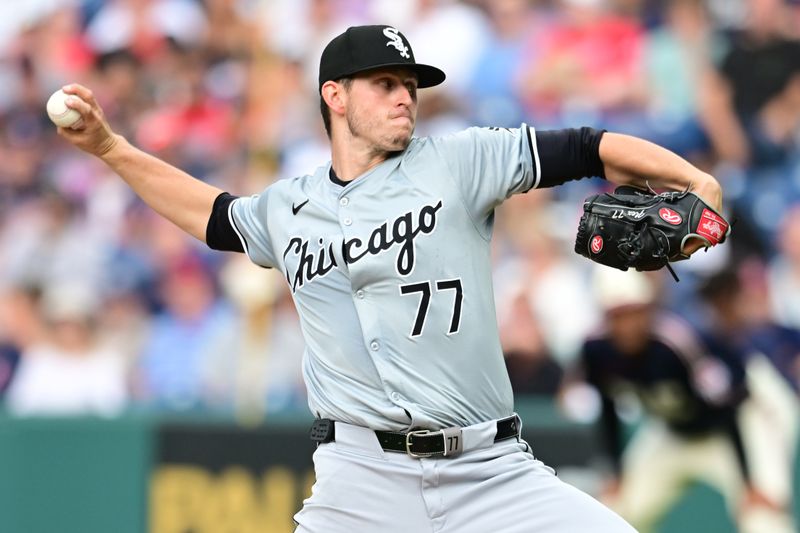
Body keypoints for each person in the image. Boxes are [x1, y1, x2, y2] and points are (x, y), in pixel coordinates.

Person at [55, 24, 723, 532]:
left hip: (488, 470)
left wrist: (694, 179)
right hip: (358, 482)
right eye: (386, 84)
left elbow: (587, 145)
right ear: (335, 95)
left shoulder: (459, 161)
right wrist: (113, 149)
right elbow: (215, 215)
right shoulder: (290, 207)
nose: (406, 96)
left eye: (410, 85)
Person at [568, 267, 781, 533]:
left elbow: (727, 404)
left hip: (730, 430)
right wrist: (615, 471)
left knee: (763, 517)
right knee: (615, 510)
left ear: (649, 308)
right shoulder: (596, 348)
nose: (628, 325)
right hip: (671, 432)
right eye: (618, 315)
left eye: (634, 312)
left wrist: (749, 481)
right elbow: (607, 405)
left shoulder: (678, 341)